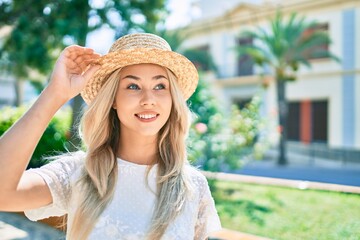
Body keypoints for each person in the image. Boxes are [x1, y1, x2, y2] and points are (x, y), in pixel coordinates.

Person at [0, 33, 222, 239]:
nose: (148, 99)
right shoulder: (78, 173)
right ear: (113, 99)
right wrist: (55, 93)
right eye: (133, 86)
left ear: (172, 99)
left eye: (160, 86)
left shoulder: (194, 186)